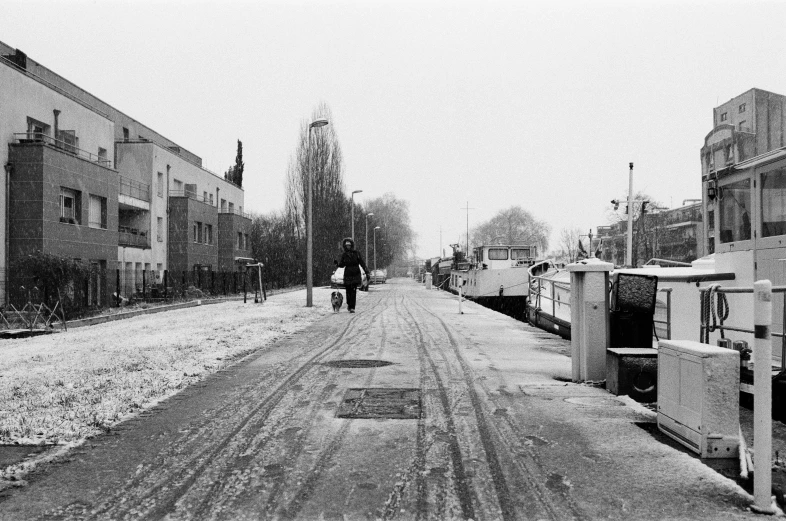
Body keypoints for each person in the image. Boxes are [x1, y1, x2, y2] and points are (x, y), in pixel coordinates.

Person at [336, 237, 370, 313]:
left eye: (349, 245)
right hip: (348, 274)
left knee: (353, 291)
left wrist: (366, 271)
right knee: (348, 291)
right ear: (345, 246)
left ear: (351, 245)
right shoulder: (344, 255)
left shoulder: (356, 253)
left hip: (355, 274)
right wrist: (337, 264)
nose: (348, 246)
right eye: (346, 245)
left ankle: (352, 307)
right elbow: (342, 264)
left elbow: (362, 263)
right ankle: (349, 304)